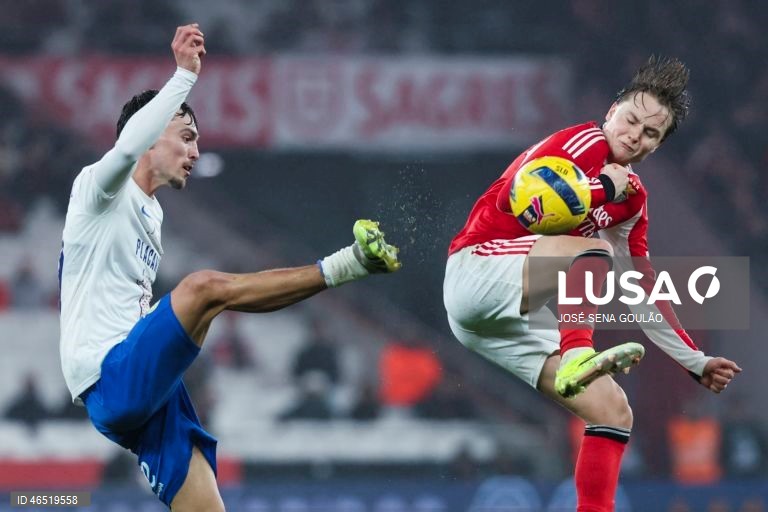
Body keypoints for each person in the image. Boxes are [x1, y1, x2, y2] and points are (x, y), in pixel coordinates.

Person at [58, 24, 400, 511]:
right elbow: (127, 149)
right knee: (202, 288)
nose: (195, 152)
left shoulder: (152, 214)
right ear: (152, 134)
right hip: (109, 378)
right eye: (186, 137)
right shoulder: (96, 189)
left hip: (142, 387)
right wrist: (183, 77)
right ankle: (347, 264)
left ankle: (347, 265)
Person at [443, 56, 741, 511]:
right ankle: (577, 353)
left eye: (650, 133)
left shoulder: (633, 201)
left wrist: (694, 361)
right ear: (611, 112)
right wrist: (602, 188)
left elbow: (641, 288)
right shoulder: (581, 143)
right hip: (476, 268)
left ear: (657, 146)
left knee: (613, 410)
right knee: (592, 251)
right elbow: (520, 201)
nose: (635, 135)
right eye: (631, 120)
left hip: (503, 317)